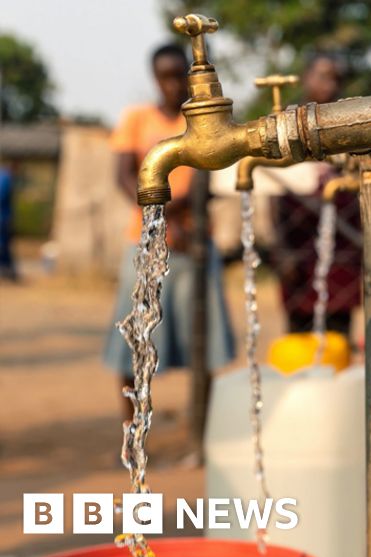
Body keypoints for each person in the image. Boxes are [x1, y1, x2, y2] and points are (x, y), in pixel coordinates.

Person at [105, 44, 235, 421]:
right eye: (165, 77)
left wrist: (175, 216)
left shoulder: (202, 122)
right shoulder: (136, 119)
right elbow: (123, 176)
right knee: (132, 342)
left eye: (179, 75)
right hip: (146, 241)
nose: (173, 84)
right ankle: (133, 428)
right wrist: (160, 217)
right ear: (154, 78)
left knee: (203, 342)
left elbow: (204, 183)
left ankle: (199, 429)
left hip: (194, 241)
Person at [270, 53, 363, 336]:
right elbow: (273, 191)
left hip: (342, 243)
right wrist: (280, 246)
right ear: (306, 77)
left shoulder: (350, 122)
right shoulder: (287, 123)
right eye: (323, 76)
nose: (330, 85)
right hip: (298, 242)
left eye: (336, 78)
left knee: (339, 329)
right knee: (299, 330)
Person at [0, 166, 14, 281]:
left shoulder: (4, 177)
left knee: (3, 245)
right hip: (3, 217)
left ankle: (7, 271)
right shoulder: (5, 177)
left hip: (3, 217)